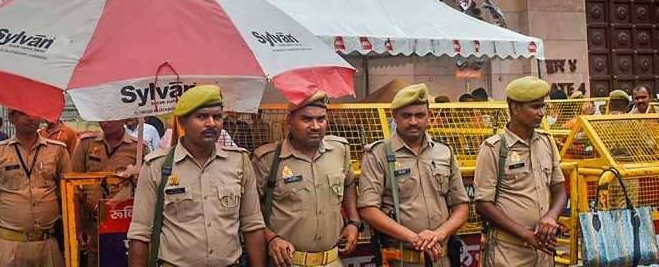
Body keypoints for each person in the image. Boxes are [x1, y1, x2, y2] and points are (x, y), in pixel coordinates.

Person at [127, 85, 265, 267]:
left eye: (217, 117)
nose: (211, 123)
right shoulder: (157, 166)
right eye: (201, 117)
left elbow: (252, 226)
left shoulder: (239, 162)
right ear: (183, 122)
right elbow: (140, 234)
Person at [358, 83, 469, 267]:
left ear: (429, 116)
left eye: (419, 115)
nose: (413, 122)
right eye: (406, 116)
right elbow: (368, 209)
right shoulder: (379, 154)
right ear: (394, 117)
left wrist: (439, 234)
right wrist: (415, 238)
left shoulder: (444, 152)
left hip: (442, 259)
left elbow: (461, 206)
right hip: (401, 260)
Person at [253, 91, 361, 267]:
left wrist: (354, 222)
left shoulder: (340, 150)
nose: (316, 126)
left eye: (321, 119)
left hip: (332, 261)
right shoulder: (268, 159)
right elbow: (250, 211)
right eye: (306, 119)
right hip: (288, 262)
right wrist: (271, 238)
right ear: (289, 122)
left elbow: (348, 184)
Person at [474, 76, 567, 267]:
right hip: (509, 253)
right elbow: (483, 204)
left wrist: (551, 216)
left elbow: (559, 190)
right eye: (535, 107)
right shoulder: (494, 148)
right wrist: (525, 234)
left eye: (543, 106)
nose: (541, 113)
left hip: (543, 252)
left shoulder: (547, 142)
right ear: (515, 109)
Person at [0, 109, 71, 267]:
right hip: (10, 245)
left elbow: (69, 196)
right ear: (11, 118)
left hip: (48, 244)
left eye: (34, 112)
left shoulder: (57, 151)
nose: (31, 117)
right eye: (23, 113)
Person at [72, 119, 142, 267]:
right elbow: (72, 188)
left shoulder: (138, 148)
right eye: (102, 117)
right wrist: (78, 228)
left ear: (124, 117)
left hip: (122, 225)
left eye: (111, 117)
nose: (106, 122)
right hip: (92, 224)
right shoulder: (86, 144)